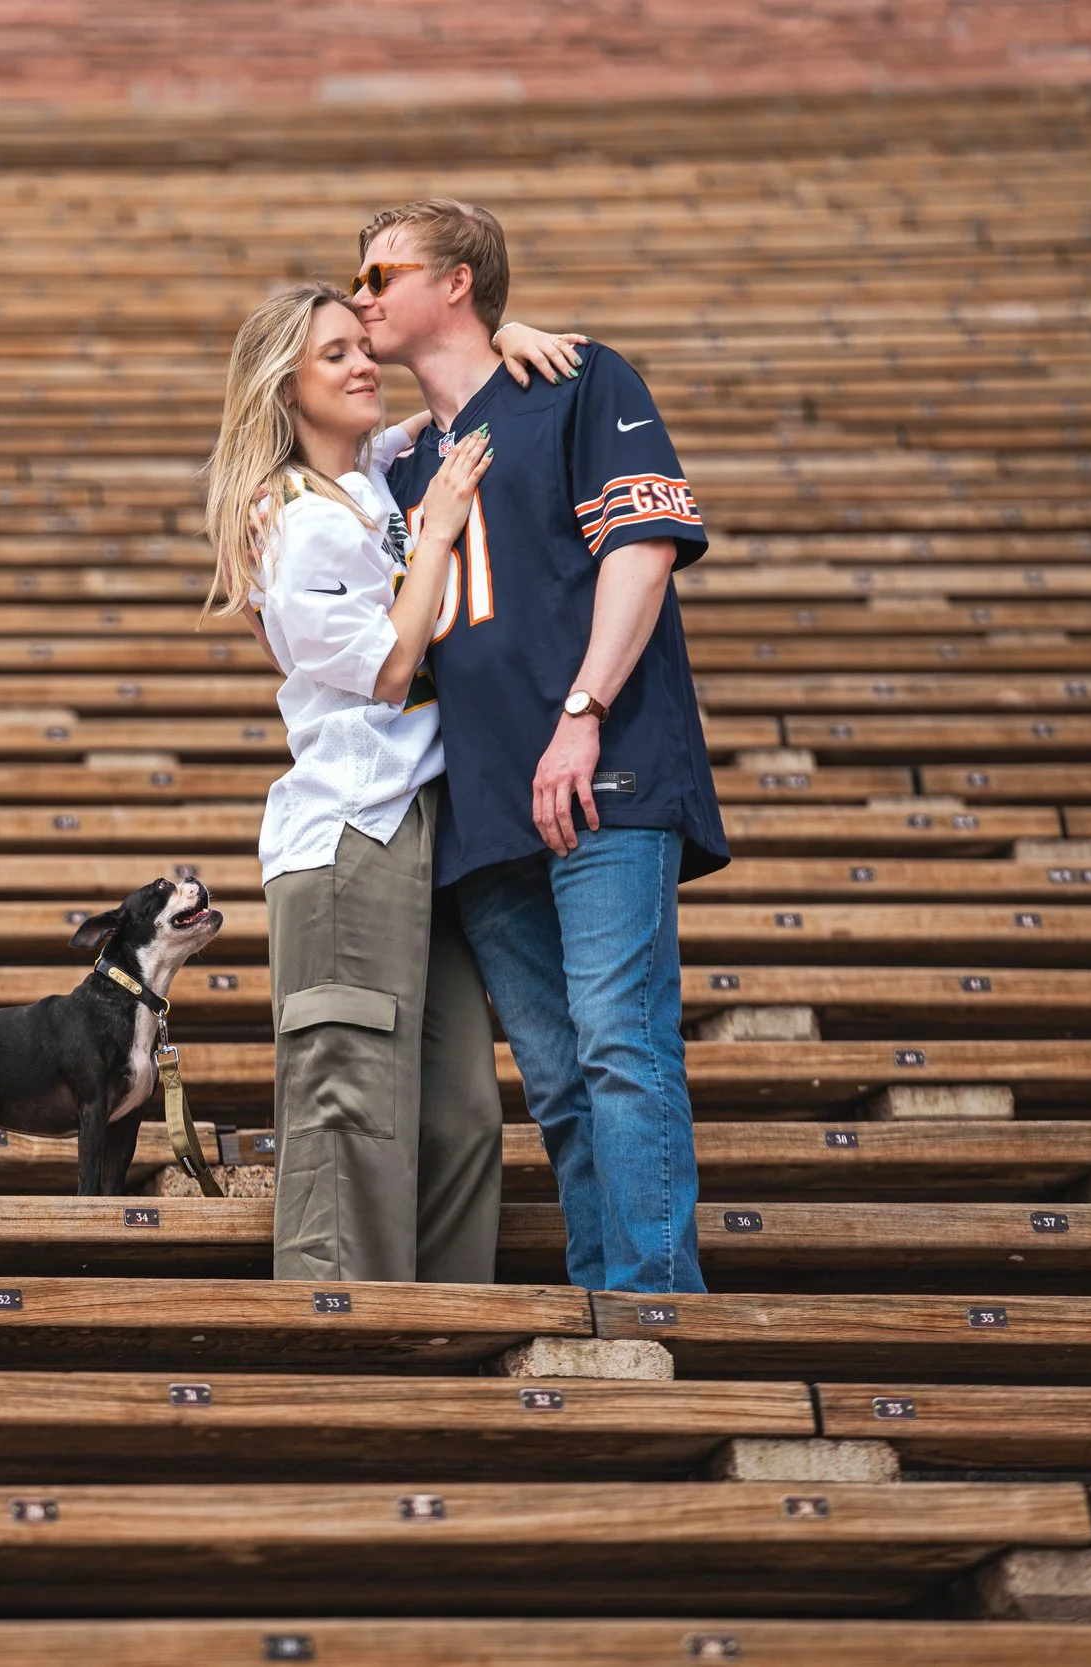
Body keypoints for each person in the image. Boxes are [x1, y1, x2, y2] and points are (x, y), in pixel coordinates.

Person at [358, 197, 726, 1295]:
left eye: (383, 274)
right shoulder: (397, 462)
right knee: (562, 1080)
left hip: (599, 771)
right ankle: (601, 1301)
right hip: (480, 800)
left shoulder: (575, 381)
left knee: (620, 1048)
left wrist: (583, 711)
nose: (363, 295)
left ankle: (656, 1305)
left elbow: (643, 548)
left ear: (458, 281)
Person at [201, 279, 583, 1285]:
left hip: (427, 826)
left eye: (358, 346)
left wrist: (499, 331)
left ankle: (446, 1329)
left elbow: (446, 400)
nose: (362, 363)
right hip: (348, 840)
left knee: (459, 1108)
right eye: (334, 355)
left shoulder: (365, 473)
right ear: (285, 388)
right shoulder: (292, 522)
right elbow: (387, 667)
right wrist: (445, 528)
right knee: (350, 1104)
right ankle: (346, 1341)